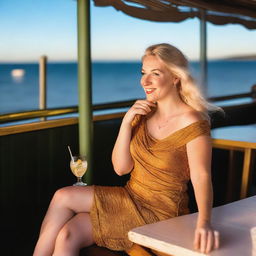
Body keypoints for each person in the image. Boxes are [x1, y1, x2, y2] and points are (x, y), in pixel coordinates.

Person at [33, 43, 221, 256]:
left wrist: (204, 222)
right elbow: (121, 169)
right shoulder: (142, 115)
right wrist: (126, 121)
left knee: (65, 208)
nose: (145, 81)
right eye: (143, 73)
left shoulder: (192, 121)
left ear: (175, 77)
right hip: (130, 197)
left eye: (155, 73)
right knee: (67, 231)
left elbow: (202, 175)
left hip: (162, 212)